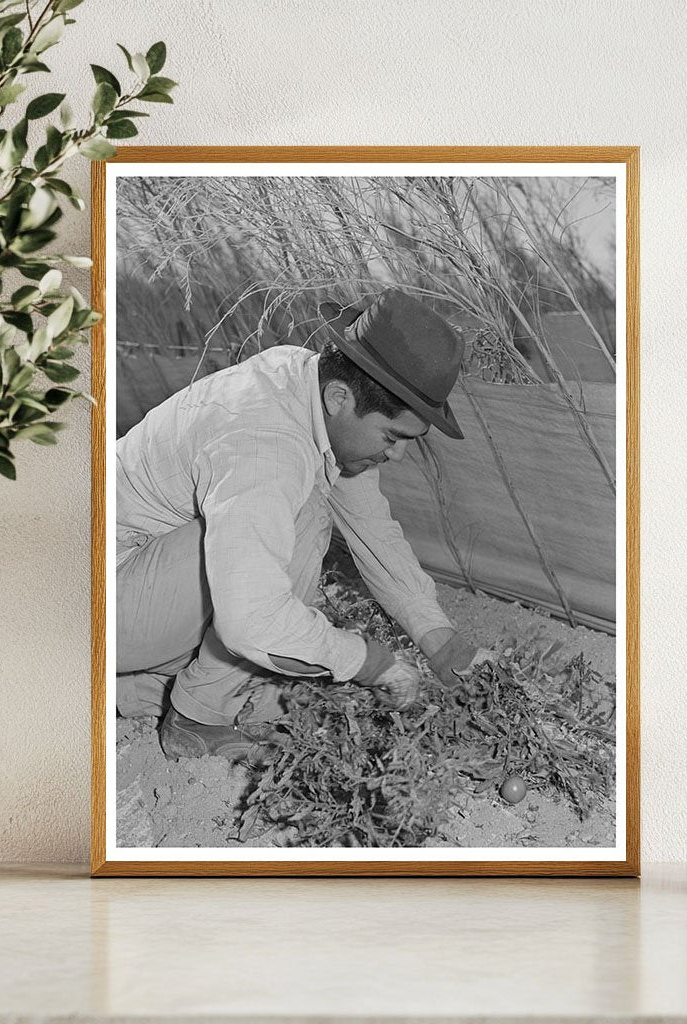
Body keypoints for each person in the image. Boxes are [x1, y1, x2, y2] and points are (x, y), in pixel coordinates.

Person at [115, 289, 491, 761]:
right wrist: (371, 663)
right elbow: (253, 619)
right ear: (340, 397)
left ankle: (127, 690)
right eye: (393, 437)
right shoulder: (267, 446)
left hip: (118, 589)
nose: (396, 455)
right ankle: (196, 719)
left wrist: (443, 644)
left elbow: (372, 528)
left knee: (279, 667)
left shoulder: (303, 380)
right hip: (92, 602)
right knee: (302, 526)